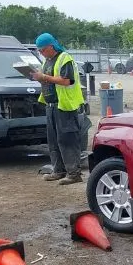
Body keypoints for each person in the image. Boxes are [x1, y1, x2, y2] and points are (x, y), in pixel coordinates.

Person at [31, 32, 87, 185]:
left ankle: (74, 173)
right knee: (54, 140)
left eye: (42, 50)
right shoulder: (47, 62)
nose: (41, 53)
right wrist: (38, 77)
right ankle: (59, 170)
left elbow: (67, 81)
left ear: (51, 46)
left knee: (67, 140)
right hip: (51, 106)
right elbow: (48, 80)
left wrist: (44, 78)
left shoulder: (64, 58)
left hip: (65, 107)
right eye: (39, 51)